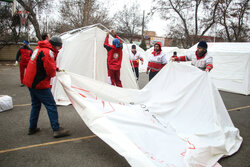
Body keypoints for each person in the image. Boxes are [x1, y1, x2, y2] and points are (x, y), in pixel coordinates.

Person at [23, 36, 70, 138]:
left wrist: (55, 68)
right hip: (39, 83)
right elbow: (50, 71)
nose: (58, 49)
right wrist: (55, 71)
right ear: (55, 45)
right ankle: (56, 129)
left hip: (30, 81)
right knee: (51, 105)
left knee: (35, 105)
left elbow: (41, 63)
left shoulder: (39, 48)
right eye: (58, 47)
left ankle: (32, 127)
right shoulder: (48, 52)